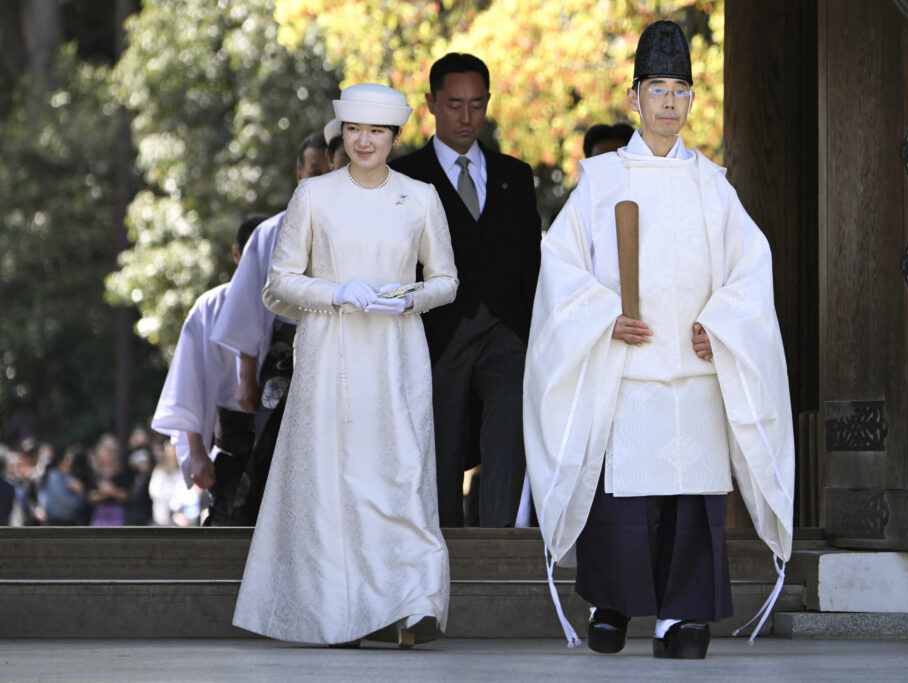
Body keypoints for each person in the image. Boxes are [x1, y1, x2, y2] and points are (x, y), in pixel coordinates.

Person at [523, 20, 795, 660]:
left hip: (695, 367)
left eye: (680, 90)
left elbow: (750, 267)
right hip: (629, 365)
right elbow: (561, 267)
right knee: (625, 497)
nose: (669, 102)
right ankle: (612, 605)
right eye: (657, 89)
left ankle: (683, 616)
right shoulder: (599, 180)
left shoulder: (712, 184)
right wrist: (602, 318)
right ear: (633, 97)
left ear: (692, 101)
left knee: (691, 498)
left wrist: (719, 324)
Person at [233, 83, 457, 647]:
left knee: (400, 473)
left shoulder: (420, 196)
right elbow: (277, 284)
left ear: (394, 137)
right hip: (328, 352)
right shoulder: (314, 197)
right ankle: (337, 611)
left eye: (377, 131)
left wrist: (407, 297)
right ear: (342, 135)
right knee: (334, 480)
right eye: (354, 130)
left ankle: (412, 602)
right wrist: (336, 292)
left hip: (397, 353)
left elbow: (447, 281)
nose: (364, 141)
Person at [391, 53, 542, 528]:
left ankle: (499, 544)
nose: (465, 117)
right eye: (454, 104)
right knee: (440, 444)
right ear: (432, 103)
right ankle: (438, 548)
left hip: (507, 329)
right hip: (437, 332)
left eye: (476, 105)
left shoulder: (515, 176)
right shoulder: (404, 176)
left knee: (510, 430)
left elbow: (531, 265)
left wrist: (537, 333)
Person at [209, 133, 329, 525]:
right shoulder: (272, 230)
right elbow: (247, 308)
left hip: (339, 350)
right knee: (271, 445)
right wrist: (245, 376)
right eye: (315, 170)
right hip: (283, 354)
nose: (324, 174)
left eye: (330, 168)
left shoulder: (357, 222)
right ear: (300, 174)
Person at [152, 215, 265, 525]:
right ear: (237, 255)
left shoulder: (292, 304)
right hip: (232, 433)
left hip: (283, 429)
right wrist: (197, 451)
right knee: (230, 524)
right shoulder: (210, 306)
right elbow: (188, 383)